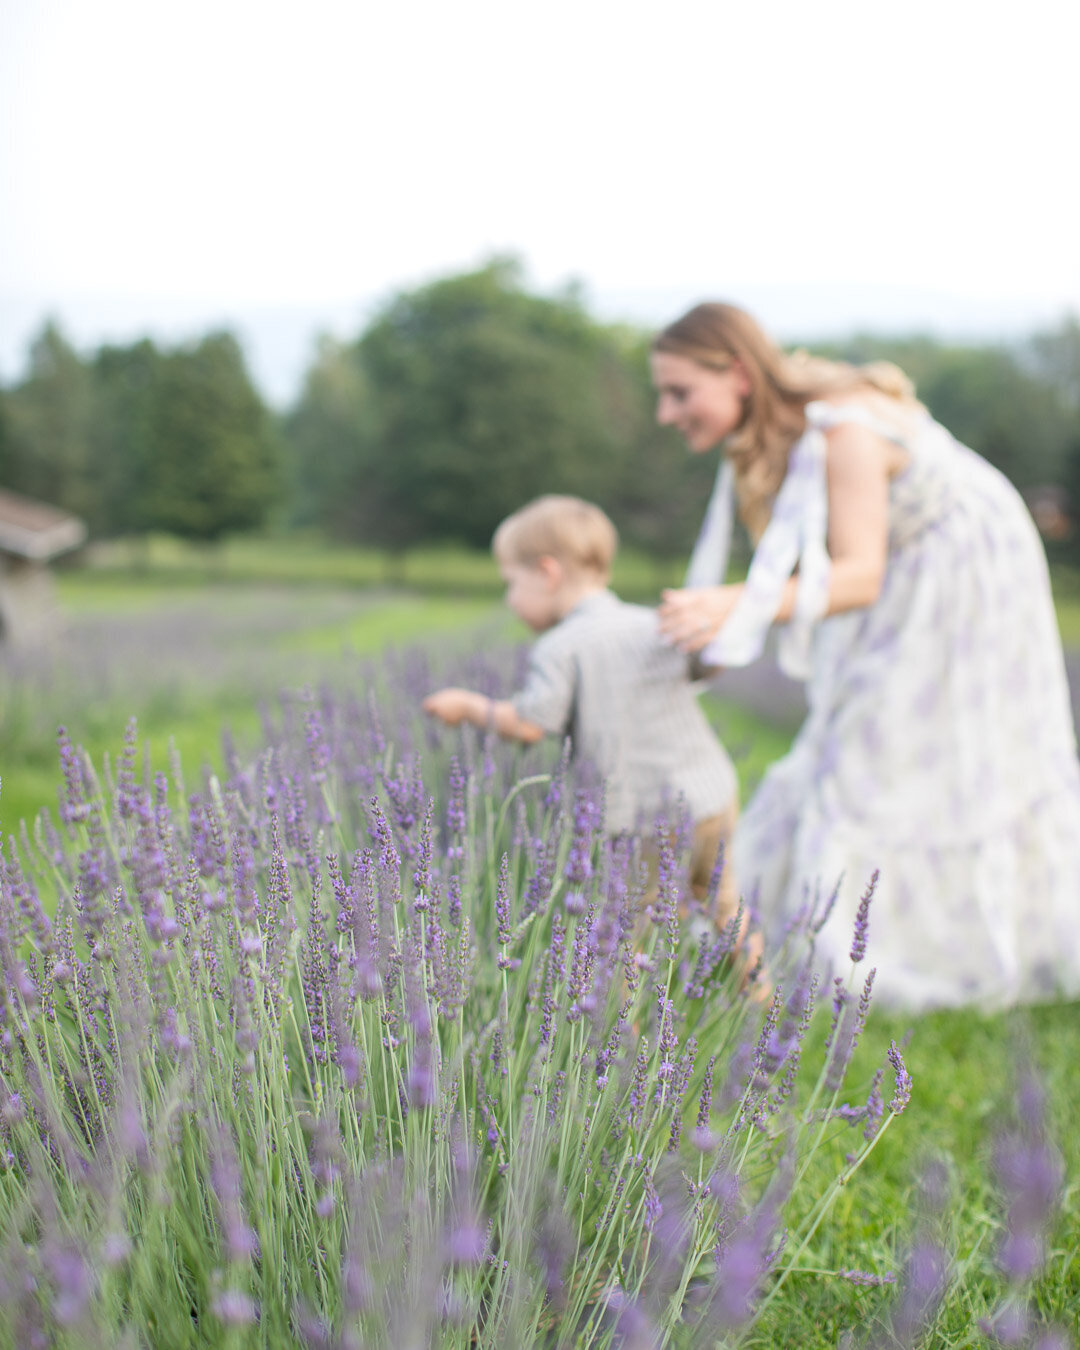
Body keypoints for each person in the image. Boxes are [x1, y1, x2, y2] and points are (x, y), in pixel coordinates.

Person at [651, 301, 1080, 1010]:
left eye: (679, 393)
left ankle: (904, 950)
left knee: (891, 745)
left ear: (734, 373)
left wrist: (735, 605)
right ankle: (804, 927)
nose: (668, 413)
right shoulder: (780, 435)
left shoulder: (842, 428)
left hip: (959, 566)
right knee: (855, 734)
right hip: (907, 568)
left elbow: (857, 575)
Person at [422, 494, 742, 927]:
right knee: (722, 900)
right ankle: (758, 987)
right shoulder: (649, 622)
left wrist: (468, 707)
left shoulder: (560, 647)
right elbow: (709, 664)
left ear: (547, 573)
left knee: (626, 927)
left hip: (644, 817)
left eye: (511, 582)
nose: (509, 599)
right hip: (713, 794)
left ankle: (622, 996)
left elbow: (530, 724)